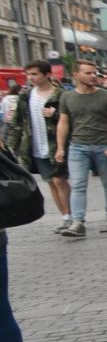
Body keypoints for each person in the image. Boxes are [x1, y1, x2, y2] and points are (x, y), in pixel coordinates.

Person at [53, 60, 107, 240]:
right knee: (78, 184)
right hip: (78, 146)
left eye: (94, 72)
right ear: (76, 75)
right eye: (88, 73)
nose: (93, 76)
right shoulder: (67, 97)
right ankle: (78, 222)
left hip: (104, 145)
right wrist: (60, 148)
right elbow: (63, 122)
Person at [7, 61, 71, 230]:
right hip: (35, 147)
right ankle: (65, 216)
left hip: (56, 145)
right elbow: (17, 123)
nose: (31, 78)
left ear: (47, 75)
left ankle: (70, 216)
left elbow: (72, 118)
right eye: (28, 74)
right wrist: (10, 147)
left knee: (60, 181)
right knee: (51, 182)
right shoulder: (25, 96)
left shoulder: (61, 95)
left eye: (35, 74)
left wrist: (55, 114)